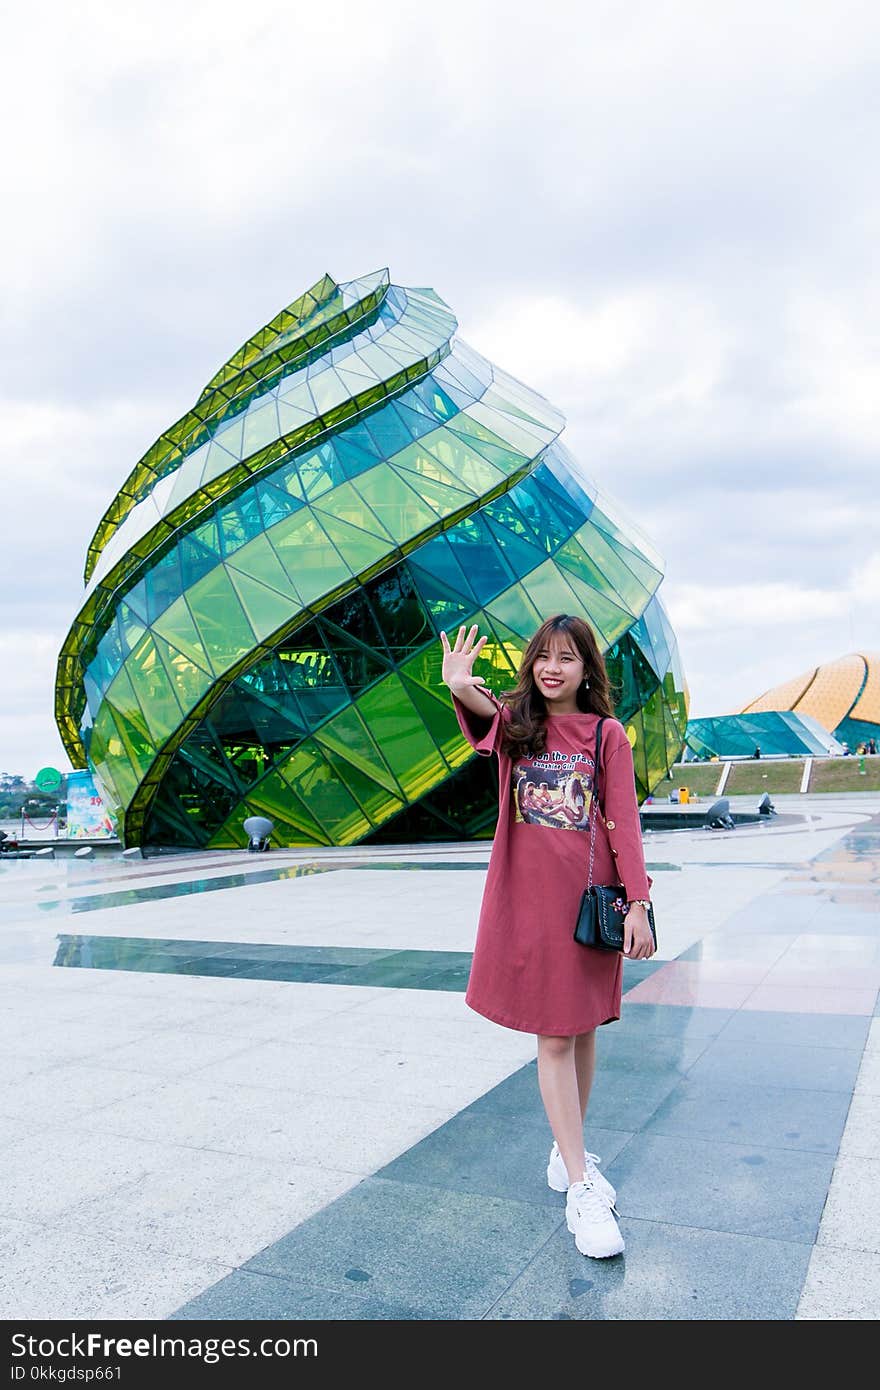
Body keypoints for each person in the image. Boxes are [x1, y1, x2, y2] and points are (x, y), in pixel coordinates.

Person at [441, 613, 656, 1261]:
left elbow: (624, 821)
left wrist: (639, 903)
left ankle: (571, 1155)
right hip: (531, 906)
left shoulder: (606, 734)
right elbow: (483, 707)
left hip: (592, 905)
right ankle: (580, 1186)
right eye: (544, 657)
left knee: (583, 1027)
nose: (553, 668)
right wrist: (458, 683)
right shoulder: (518, 727)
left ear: (588, 669)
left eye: (568, 658)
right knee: (556, 1035)